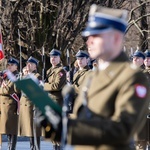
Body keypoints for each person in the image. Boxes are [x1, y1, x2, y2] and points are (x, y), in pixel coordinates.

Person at [38, 4, 150, 150]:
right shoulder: (92, 76)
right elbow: (85, 119)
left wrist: (68, 131)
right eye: (88, 36)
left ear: (115, 38)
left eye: (96, 36)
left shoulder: (132, 77)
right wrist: (54, 121)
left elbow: (123, 129)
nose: (89, 41)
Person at [44, 49, 66, 150]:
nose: (53, 59)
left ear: (59, 58)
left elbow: (57, 86)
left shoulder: (61, 71)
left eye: (55, 57)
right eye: (51, 57)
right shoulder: (48, 71)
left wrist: (44, 85)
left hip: (57, 101)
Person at [18, 56, 42, 150]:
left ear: (35, 67)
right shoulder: (24, 76)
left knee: (34, 129)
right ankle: (32, 147)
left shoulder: (37, 76)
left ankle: (36, 147)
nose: (28, 65)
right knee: (29, 129)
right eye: (27, 63)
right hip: (25, 105)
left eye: (31, 64)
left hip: (33, 105)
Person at [0, 57, 20, 150]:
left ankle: (12, 147)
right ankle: (9, 146)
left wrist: (3, 89)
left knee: (12, 129)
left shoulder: (16, 77)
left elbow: (9, 90)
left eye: (12, 65)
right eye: (8, 65)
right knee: (7, 128)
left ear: (16, 67)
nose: (9, 66)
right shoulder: (6, 76)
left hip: (11, 105)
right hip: (3, 106)